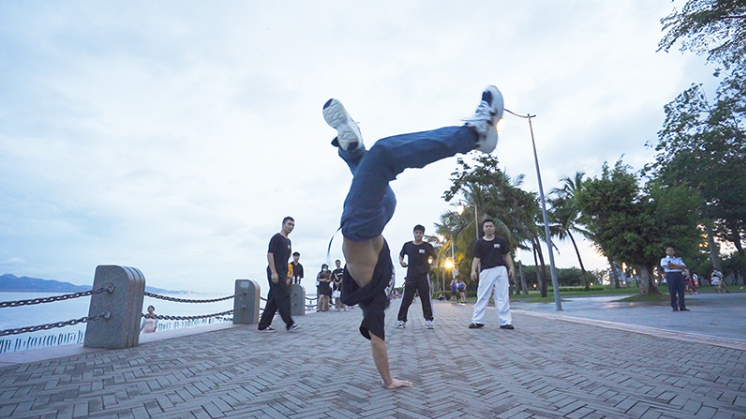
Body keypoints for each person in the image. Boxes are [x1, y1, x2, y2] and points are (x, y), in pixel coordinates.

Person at [323, 85, 503, 389]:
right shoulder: (375, 300)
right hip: (377, 217)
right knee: (380, 158)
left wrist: (388, 380)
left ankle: (353, 151)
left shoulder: (371, 299)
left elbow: (377, 344)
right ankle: (475, 134)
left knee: (381, 157)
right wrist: (390, 380)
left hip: (361, 224)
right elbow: (378, 343)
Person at [469, 219, 515, 330]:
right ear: (483, 229)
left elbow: (507, 255)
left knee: (502, 296)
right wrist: (473, 270)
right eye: (486, 226)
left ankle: (505, 322)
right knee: (482, 295)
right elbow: (476, 258)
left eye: (490, 226)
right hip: (486, 271)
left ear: (494, 228)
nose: (489, 228)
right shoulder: (480, 243)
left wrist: (511, 267)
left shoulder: (501, 241)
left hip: (500, 270)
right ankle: (477, 320)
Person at [257, 217, 300, 332]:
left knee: (273, 299)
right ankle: (289, 323)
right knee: (284, 295)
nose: (291, 227)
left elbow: (285, 258)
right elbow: (270, 254)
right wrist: (274, 272)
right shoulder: (276, 238)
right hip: (275, 270)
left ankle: (263, 325)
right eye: (289, 224)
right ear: (283, 224)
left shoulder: (288, 241)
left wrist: (286, 274)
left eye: (293, 225)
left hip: (283, 271)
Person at [396, 225, 437, 329]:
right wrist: (401, 262)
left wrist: (435, 266)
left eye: (420, 233)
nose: (418, 234)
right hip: (411, 276)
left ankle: (428, 320)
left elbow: (435, 258)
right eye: (416, 232)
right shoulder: (408, 245)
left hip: (423, 275)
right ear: (413, 233)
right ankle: (401, 320)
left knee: (426, 298)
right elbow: (401, 255)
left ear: (423, 234)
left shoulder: (427, 246)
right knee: (407, 299)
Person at [660, 247, 689, 312]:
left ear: (674, 251)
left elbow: (684, 266)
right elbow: (668, 267)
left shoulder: (678, 259)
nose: (670, 251)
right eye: (668, 250)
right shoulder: (664, 260)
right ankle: (674, 307)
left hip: (679, 274)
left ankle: (682, 306)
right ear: (666, 252)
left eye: (671, 250)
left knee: (681, 291)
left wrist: (673, 265)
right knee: (672, 291)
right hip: (670, 275)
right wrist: (678, 267)